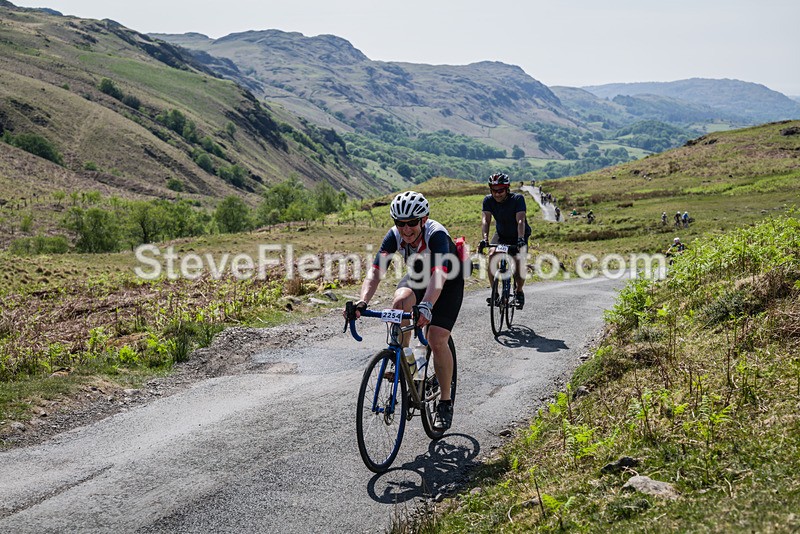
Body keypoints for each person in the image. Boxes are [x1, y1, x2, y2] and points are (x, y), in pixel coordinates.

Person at [348, 191, 463, 431]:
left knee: (436, 338)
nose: (406, 229)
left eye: (412, 222)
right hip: (419, 277)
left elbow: (439, 276)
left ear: (424, 219)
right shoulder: (394, 236)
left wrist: (427, 306)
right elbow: (376, 271)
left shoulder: (437, 234)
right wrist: (362, 302)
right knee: (399, 303)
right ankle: (409, 366)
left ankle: (445, 402)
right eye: (400, 223)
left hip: (447, 281)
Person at [478, 173, 531, 310]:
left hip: (519, 234)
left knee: (518, 262)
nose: (497, 194)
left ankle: (519, 291)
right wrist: (485, 239)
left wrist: (520, 239)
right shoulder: (488, 200)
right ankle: (494, 293)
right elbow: (486, 221)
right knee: (492, 256)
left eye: (500, 190)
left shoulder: (517, 199)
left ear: (507, 189)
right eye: (494, 190)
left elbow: (521, 221)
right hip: (501, 234)